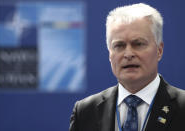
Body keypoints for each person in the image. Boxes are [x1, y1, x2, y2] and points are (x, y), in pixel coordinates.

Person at [69, 3, 185, 131]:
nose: (128, 54)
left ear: (159, 50)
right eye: (119, 45)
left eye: (138, 44)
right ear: (110, 54)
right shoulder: (85, 111)